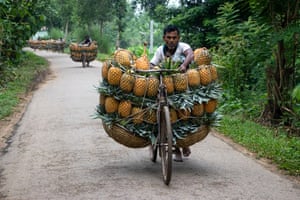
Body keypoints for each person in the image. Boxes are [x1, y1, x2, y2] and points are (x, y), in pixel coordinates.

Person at [150, 24, 194, 162]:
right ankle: (167, 143)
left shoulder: (183, 47)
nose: (171, 40)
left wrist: (184, 65)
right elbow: (152, 64)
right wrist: (154, 68)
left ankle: (184, 143)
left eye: (174, 37)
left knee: (185, 114)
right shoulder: (159, 51)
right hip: (164, 89)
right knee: (155, 111)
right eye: (168, 37)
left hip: (182, 89)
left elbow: (190, 54)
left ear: (178, 38)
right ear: (164, 38)